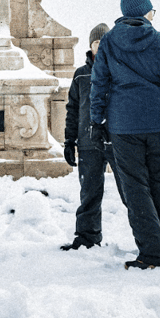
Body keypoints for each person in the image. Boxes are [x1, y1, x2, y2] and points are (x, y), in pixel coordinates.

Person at [90, 0, 160, 270]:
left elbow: (100, 84)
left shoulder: (108, 42)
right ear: (144, 12)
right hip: (159, 122)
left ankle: (151, 250)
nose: (153, 16)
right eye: (151, 11)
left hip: (124, 124)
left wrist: (97, 121)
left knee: (136, 187)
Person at [61, 23, 125, 251]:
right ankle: (87, 237)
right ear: (90, 46)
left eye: (104, 41)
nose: (100, 46)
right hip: (88, 143)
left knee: (129, 192)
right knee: (89, 193)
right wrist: (69, 141)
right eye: (97, 42)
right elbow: (73, 109)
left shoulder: (120, 69)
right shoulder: (81, 75)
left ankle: (146, 237)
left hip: (117, 141)